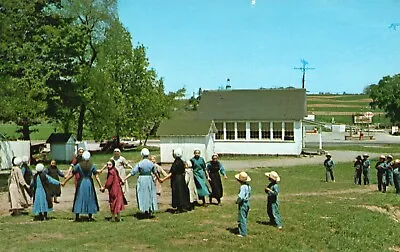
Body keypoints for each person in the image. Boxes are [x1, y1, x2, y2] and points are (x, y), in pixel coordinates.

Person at [62, 151, 103, 222]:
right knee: (90, 198)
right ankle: (90, 216)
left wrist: (64, 182)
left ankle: (77, 216)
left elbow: (72, 175)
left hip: (81, 182)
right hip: (89, 182)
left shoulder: (78, 165)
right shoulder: (92, 165)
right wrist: (101, 186)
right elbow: (96, 177)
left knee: (79, 198)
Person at [124, 148, 159, 218]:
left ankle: (145, 209)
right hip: (149, 179)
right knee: (150, 194)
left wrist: (125, 178)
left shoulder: (140, 163)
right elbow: (155, 172)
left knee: (143, 195)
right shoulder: (151, 163)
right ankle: (150, 209)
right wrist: (159, 179)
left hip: (142, 179)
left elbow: (133, 172)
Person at [160, 148, 190, 213]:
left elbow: (171, 173)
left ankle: (179, 208)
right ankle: (183, 207)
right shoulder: (181, 161)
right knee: (182, 192)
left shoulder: (176, 163)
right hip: (181, 179)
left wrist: (163, 179)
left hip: (176, 179)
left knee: (177, 193)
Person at [235, 171, 251, 237]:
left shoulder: (242, 187)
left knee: (242, 218)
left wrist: (237, 201)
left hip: (243, 203)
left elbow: (241, 196)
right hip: (247, 202)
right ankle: (242, 229)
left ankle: (243, 233)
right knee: (244, 216)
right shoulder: (248, 186)